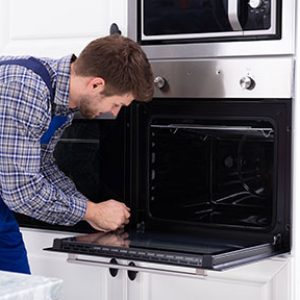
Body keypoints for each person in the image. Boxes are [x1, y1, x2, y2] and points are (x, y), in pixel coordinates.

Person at [0, 34, 154, 274]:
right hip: (10, 197)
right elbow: (22, 193)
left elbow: (42, 165)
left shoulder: (59, 99)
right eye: (116, 105)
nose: (113, 114)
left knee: (21, 286)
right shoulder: (26, 89)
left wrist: (88, 208)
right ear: (96, 84)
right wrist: (91, 211)